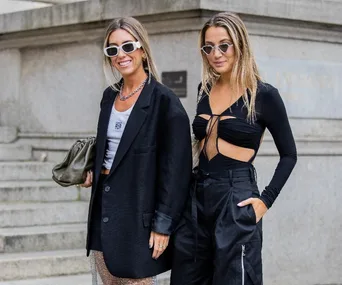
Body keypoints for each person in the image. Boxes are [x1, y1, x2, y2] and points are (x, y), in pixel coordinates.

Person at [171, 12, 297, 285]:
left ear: (240, 44)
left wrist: (265, 201)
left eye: (224, 45)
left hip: (235, 197)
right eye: (208, 47)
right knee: (186, 278)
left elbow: (289, 155)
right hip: (197, 196)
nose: (215, 53)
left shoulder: (264, 95)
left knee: (235, 278)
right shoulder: (204, 88)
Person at [80, 17, 192, 285]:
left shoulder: (165, 101)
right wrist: (93, 169)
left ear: (142, 48)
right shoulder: (109, 97)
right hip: (104, 213)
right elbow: (112, 150)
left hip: (138, 217)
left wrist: (163, 225)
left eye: (128, 46)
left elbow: (176, 170)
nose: (121, 55)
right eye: (112, 50)